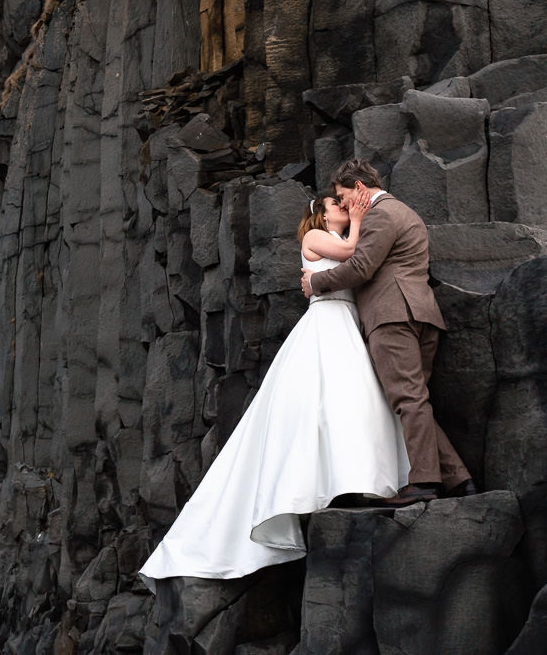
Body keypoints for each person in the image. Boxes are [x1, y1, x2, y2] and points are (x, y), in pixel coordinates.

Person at [140, 193, 409, 581]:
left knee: (355, 404)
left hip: (347, 324)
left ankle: (358, 479)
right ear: (319, 213)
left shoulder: (334, 238)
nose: (341, 206)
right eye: (335, 203)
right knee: (332, 401)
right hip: (327, 323)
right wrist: (362, 215)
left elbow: (359, 263)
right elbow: (352, 249)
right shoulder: (314, 239)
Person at [300, 159, 475, 505]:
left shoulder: (381, 215)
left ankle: (425, 482)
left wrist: (315, 281)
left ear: (360, 189)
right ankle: (458, 478)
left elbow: (362, 266)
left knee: (408, 400)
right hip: (420, 314)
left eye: (343, 195)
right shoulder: (408, 213)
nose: (344, 204)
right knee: (413, 401)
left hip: (393, 316)